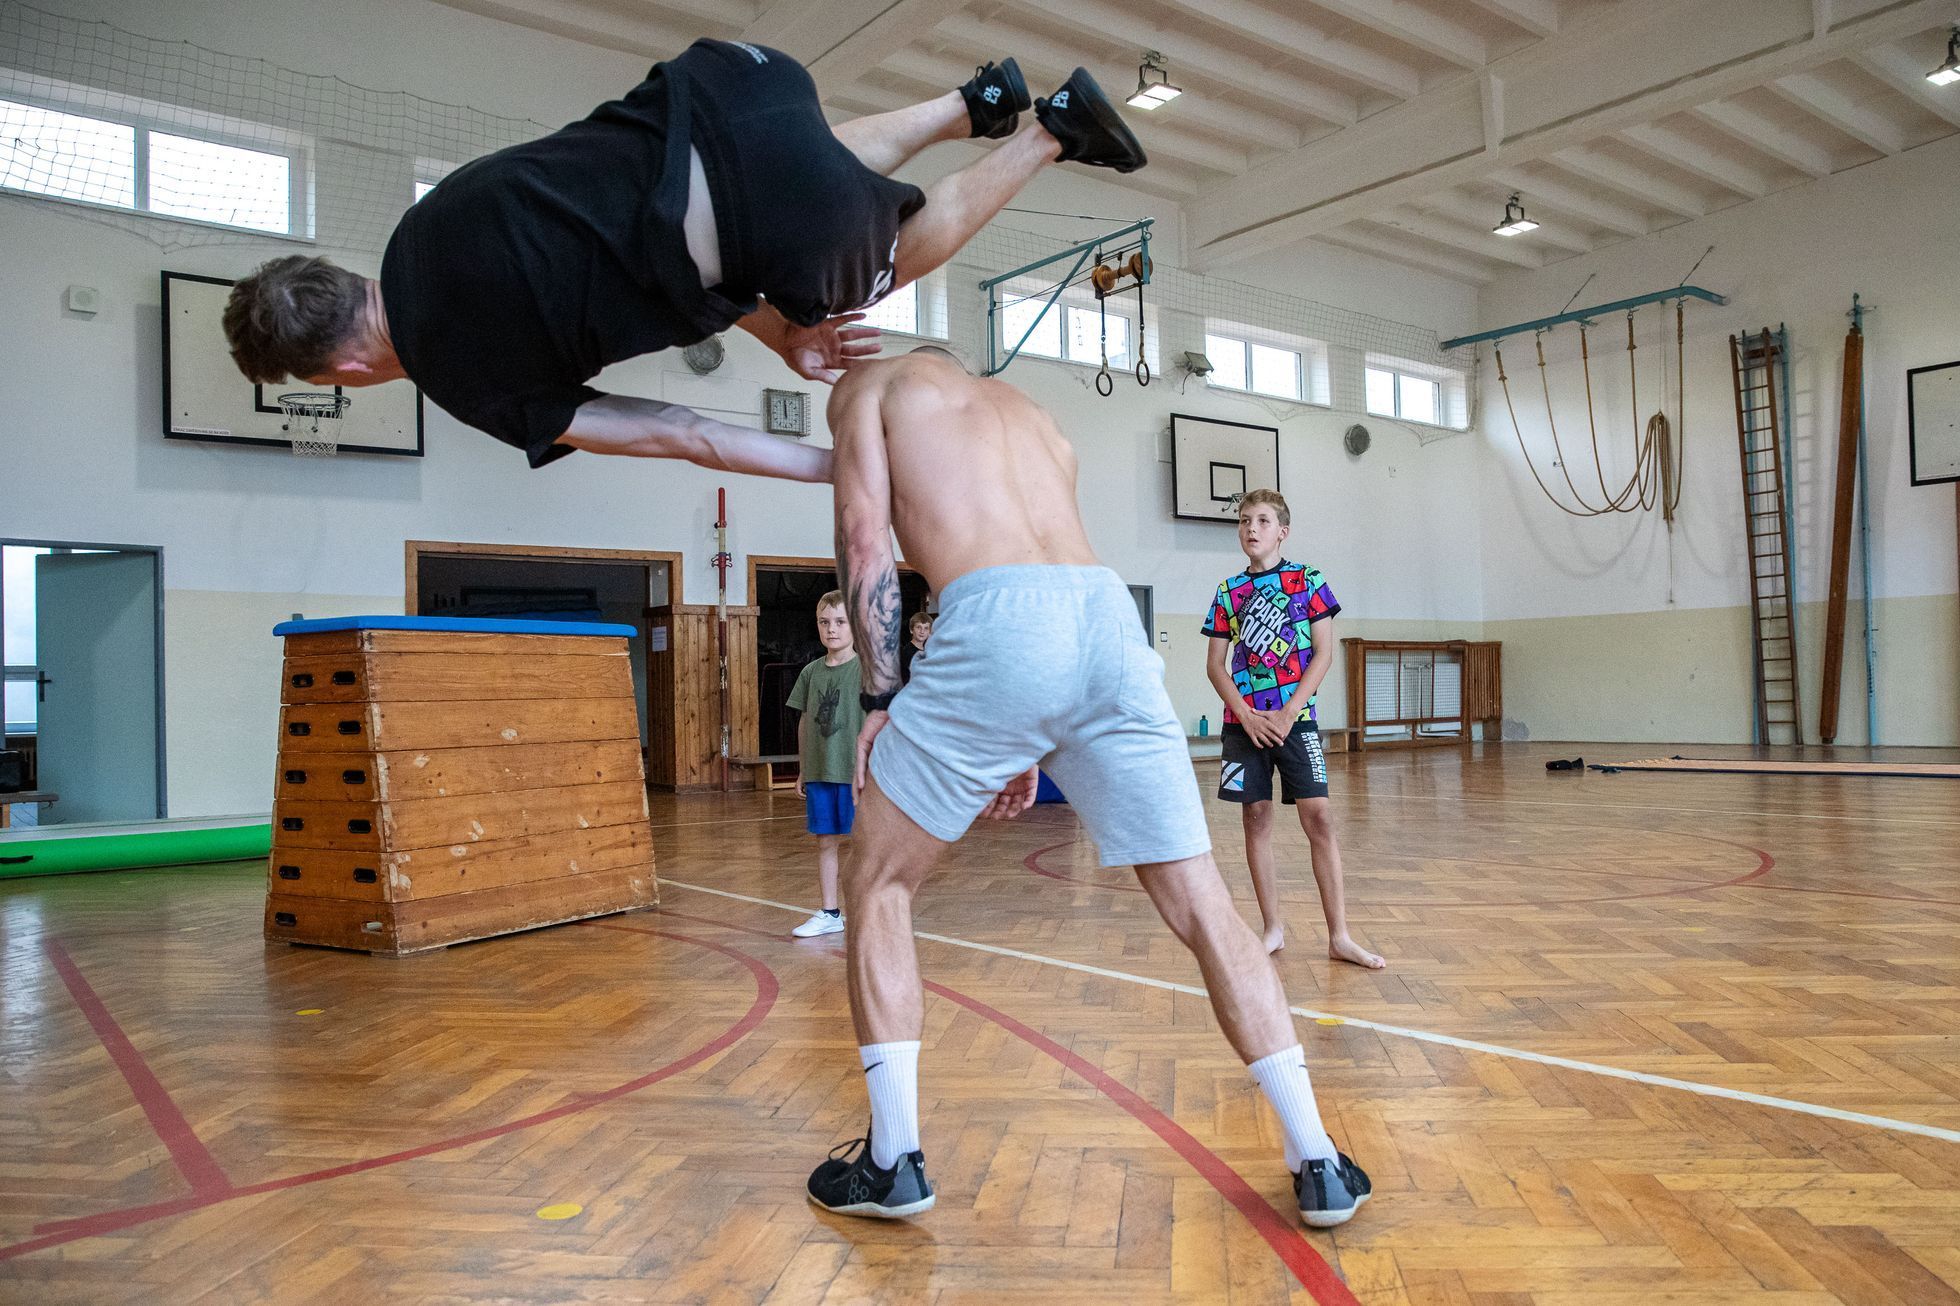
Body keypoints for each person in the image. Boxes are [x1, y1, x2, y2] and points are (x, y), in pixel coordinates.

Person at [804, 347, 1371, 1228]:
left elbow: (865, 539)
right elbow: (1047, 595)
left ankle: (891, 1161)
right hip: (1107, 622)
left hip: (991, 617)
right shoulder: (1031, 413)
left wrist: (881, 695)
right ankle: (1319, 1159)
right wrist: (1026, 732)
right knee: (1205, 908)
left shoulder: (871, 388)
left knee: (876, 883)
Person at [221, 41, 1148, 479]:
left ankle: (1051, 133)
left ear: (343, 369)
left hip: (771, 224)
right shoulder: (424, 223)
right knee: (794, 165)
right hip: (736, 83)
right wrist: (777, 332)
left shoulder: (461, 380)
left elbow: (677, 431)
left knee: (880, 262)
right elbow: (643, 220)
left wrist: (834, 470)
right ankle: (970, 100)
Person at [1203, 491, 1383, 968]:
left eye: (1262, 521)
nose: (1251, 528)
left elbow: (1322, 654)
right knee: (1255, 820)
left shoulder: (1308, 581)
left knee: (1319, 817)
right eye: (1244, 521)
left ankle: (1339, 935)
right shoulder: (1227, 592)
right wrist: (1245, 714)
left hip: (1296, 722)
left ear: (1282, 531)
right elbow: (1216, 666)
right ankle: (1272, 928)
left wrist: (1288, 712)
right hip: (1243, 726)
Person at [786, 590, 864, 939]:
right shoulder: (811, 672)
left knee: (864, 845)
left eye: (840, 622)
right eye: (824, 622)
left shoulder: (868, 669)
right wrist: (804, 766)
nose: (831, 629)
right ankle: (831, 912)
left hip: (857, 774)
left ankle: (868, 912)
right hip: (821, 770)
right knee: (826, 841)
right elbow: (805, 720)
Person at [899, 610, 933, 683]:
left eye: (926, 628)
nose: (922, 631)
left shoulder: (927, 650)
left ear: (929, 632)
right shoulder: (907, 653)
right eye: (918, 627)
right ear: (911, 630)